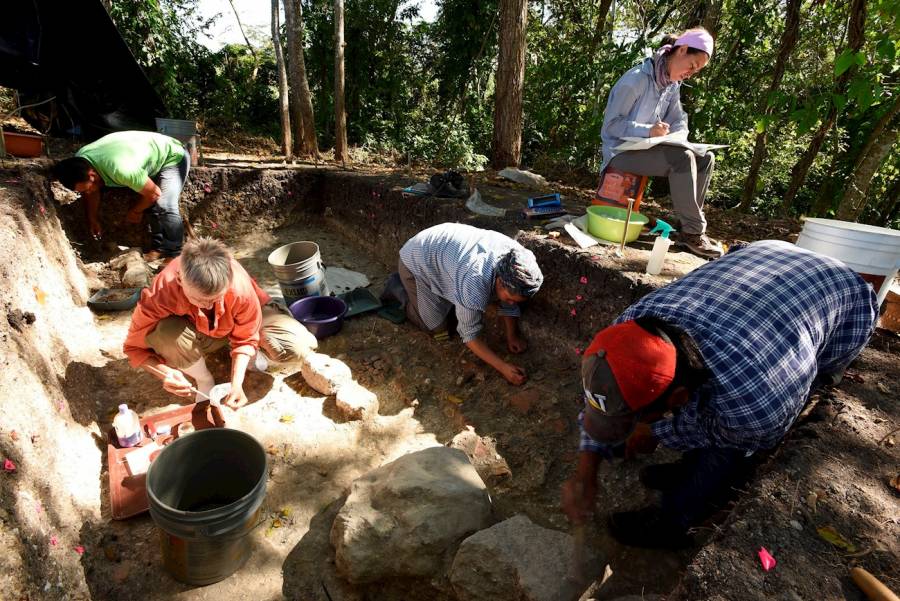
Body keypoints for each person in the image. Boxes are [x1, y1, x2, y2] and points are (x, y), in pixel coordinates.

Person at [561, 240, 878, 548]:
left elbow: (731, 431)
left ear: (678, 399)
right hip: (767, 257)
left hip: (846, 301)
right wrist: (585, 472)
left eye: (635, 417)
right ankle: (686, 466)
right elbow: (603, 396)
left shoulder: (757, 401)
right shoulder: (628, 330)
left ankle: (675, 520)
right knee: (694, 421)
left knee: (732, 450)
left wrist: (654, 431)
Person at [123, 237, 317, 408]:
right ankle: (205, 379)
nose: (209, 304)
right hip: (197, 331)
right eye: (199, 300)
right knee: (166, 334)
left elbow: (246, 338)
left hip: (238, 323)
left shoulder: (239, 287)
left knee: (298, 346)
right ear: (181, 281)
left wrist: (236, 384)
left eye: (217, 298)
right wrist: (164, 373)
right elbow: (133, 349)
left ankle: (251, 357)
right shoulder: (162, 291)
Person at [600, 27, 722, 259]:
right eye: (692, 65)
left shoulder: (671, 86)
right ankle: (694, 232)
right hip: (620, 151)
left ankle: (686, 226)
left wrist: (679, 137)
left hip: (647, 149)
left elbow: (678, 120)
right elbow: (610, 127)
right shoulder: (635, 80)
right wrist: (649, 131)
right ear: (682, 50)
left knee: (705, 157)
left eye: (696, 71)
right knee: (681, 159)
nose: (691, 73)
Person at [397, 223, 543, 385]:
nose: (511, 303)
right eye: (509, 299)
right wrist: (503, 367)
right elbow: (469, 335)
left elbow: (511, 301)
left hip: (446, 256)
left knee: (467, 303)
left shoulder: (521, 262)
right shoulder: (475, 281)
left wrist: (512, 336)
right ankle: (400, 288)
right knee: (439, 329)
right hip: (416, 260)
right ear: (500, 282)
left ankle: (444, 297)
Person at [53, 130, 190, 260]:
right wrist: (92, 218)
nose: (87, 192)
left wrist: (136, 211)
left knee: (165, 204)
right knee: (151, 205)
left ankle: (174, 255)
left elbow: (154, 193)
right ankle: (159, 249)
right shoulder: (81, 162)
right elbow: (92, 192)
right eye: (83, 191)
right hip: (148, 155)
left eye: (87, 189)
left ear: (92, 175)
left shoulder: (120, 169)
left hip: (172, 155)